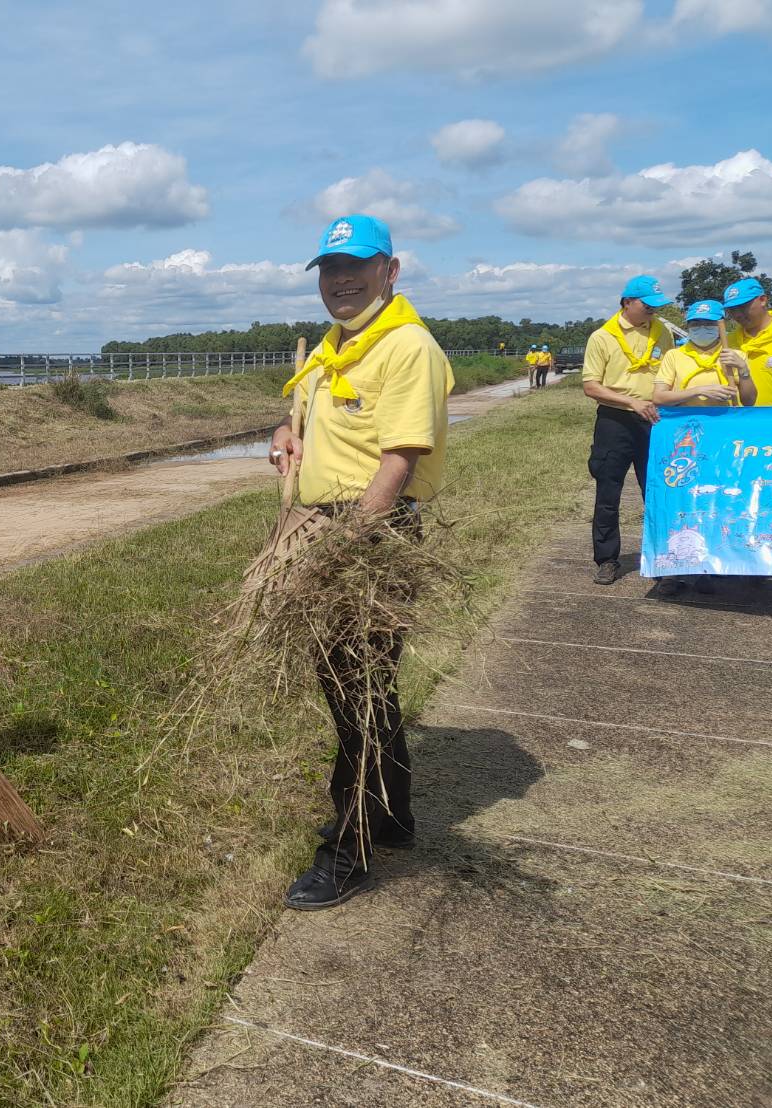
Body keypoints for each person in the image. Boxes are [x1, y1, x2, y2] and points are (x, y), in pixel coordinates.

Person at [267, 214, 453, 910]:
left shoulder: (406, 347)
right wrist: (285, 433)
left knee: (357, 697)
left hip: (370, 535)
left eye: (355, 265)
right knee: (360, 687)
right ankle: (392, 817)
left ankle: (350, 851)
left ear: (390, 270)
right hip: (332, 526)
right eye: (329, 268)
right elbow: (305, 420)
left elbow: (398, 462)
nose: (340, 280)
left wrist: (338, 549)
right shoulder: (336, 346)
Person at [651, 300, 756, 598]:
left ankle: (708, 566)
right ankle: (672, 570)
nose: (701, 329)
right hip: (684, 436)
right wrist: (698, 391)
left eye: (708, 324)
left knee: (716, 500)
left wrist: (743, 371)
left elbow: (749, 400)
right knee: (679, 500)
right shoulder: (675, 356)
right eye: (695, 324)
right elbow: (659, 396)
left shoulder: (734, 354)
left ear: (720, 326)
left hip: (723, 437)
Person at [581, 275, 672, 585]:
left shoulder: (662, 332)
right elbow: (591, 386)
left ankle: (663, 558)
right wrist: (631, 401)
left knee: (657, 491)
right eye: (647, 306)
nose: (653, 311)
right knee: (608, 493)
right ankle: (607, 559)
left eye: (656, 306)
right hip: (615, 421)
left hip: (654, 420)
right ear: (627, 302)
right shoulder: (602, 337)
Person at [720, 277, 772, 406]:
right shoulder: (728, 343)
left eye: (742, 307)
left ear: (763, 300)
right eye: (732, 310)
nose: (737, 314)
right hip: (740, 417)